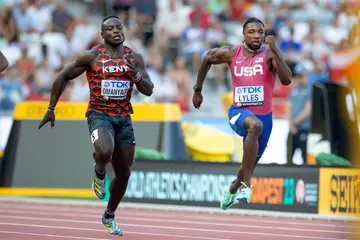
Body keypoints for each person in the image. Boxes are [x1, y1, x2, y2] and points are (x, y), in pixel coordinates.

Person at [38, 16, 154, 236]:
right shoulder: (91, 56)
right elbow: (62, 76)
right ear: (102, 35)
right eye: (110, 29)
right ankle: (99, 172)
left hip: (123, 119)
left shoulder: (134, 58)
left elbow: (148, 89)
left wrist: (135, 75)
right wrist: (51, 108)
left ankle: (109, 215)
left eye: (119, 27)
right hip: (99, 114)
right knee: (103, 150)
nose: (116, 31)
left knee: (124, 174)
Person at [192, 17, 291, 210]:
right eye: (251, 32)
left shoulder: (269, 55)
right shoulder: (231, 53)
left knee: (247, 167)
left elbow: (286, 80)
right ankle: (247, 186)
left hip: (265, 118)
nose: (256, 35)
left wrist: (276, 50)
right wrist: (197, 89)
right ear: (243, 35)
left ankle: (233, 189)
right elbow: (207, 58)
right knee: (254, 126)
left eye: (260, 32)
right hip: (239, 112)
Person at [287, 64, 312, 164]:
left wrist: (294, 122)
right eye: (299, 76)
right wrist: (290, 124)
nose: (301, 78)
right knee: (289, 154)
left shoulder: (309, 89)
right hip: (293, 127)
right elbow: (288, 106)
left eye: (303, 76)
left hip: (304, 127)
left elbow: (308, 110)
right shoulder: (294, 89)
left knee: (304, 156)